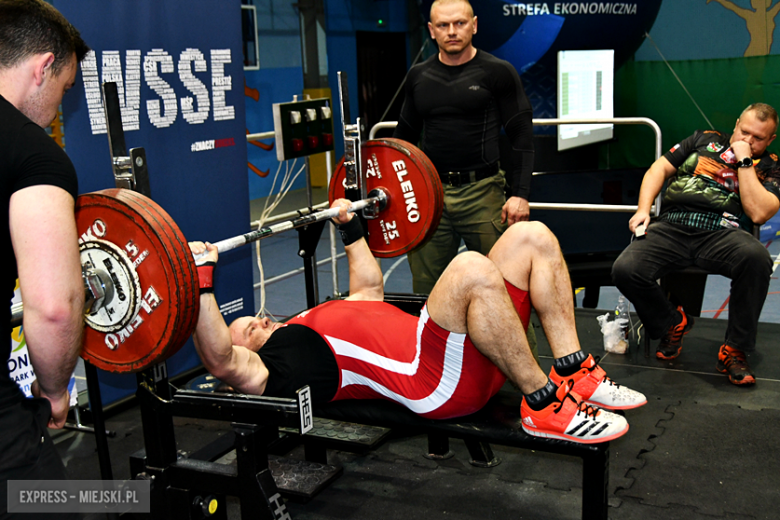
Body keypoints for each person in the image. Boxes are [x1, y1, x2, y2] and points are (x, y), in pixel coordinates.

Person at [190, 200, 647, 445]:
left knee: (532, 236)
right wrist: (202, 280)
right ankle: (543, 404)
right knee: (470, 268)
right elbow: (221, 360)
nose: (262, 321)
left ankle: (573, 370)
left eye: (258, 317)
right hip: (432, 381)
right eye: (249, 327)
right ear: (250, 350)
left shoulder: (307, 318)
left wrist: (350, 228)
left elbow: (368, 290)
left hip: (475, 351)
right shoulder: (276, 367)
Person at [612, 103, 780, 386]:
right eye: (744, 132)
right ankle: (671, 323)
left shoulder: (771, 166)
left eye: (758, 138)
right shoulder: (704, 139)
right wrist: (644, 208)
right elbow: (658, 169)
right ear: (737, 122)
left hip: (721, 232)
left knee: (757, 258)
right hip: (671, 226)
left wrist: (745, 160)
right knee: (625, 269)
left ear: (771, 139)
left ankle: (734, 350)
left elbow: (759, 213)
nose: (748, 140)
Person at [1, 0, 90, 514]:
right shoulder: (35, 154)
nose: (59, 104)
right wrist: (54, 391)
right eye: (64, 87)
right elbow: (55, 306)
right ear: (42, 68)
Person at [392, 0, 534, 295]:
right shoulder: (418, 76)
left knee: (504, 286)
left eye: (460, 23)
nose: (452, 31)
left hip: (482, 193)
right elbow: (402, 140)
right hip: (430, 197)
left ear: (474, 25)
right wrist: (396, 195)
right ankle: (432, 343)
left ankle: (519, 344)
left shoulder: (498, 72)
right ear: (432, 31)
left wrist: (520, 194)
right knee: (427, 291)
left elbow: (521, 135)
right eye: (443, 25)